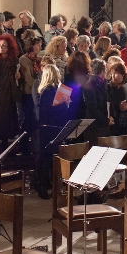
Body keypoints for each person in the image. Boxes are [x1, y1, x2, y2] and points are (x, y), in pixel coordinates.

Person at [36, 64, 76, 198]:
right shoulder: (48, 90)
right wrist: (62, 103)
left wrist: (66, 102)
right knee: (46, 158)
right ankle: (41, 186)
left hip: (53, 127)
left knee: (49, 158)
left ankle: (49, 184)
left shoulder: (54, 89)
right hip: (48, 129)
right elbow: (48, 111)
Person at [0, 34, 21, 148]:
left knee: (9, 117)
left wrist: (18, 75)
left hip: (10, 92)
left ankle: (6, 144)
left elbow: (17, 74)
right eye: (0, 46)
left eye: (5, 46)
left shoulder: (14, 59)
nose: (2, 48)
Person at [18, 36, 42, 156]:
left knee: (35, 121)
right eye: (38, 45)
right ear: (31, 46)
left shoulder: (39, 59)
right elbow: (28, 78)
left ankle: (34, 147)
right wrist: (41, 87)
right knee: (28, 121)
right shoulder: (24, 59)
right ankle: (24, 149)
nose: (40, 47)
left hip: (37, 93)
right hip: (28, 94)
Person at [82, 58, 110, 145]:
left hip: (101, 123)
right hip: (94, 125)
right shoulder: (90, 84)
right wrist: (106, 120)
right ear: (102, 71)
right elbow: (93, 108)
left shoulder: (102, 83)